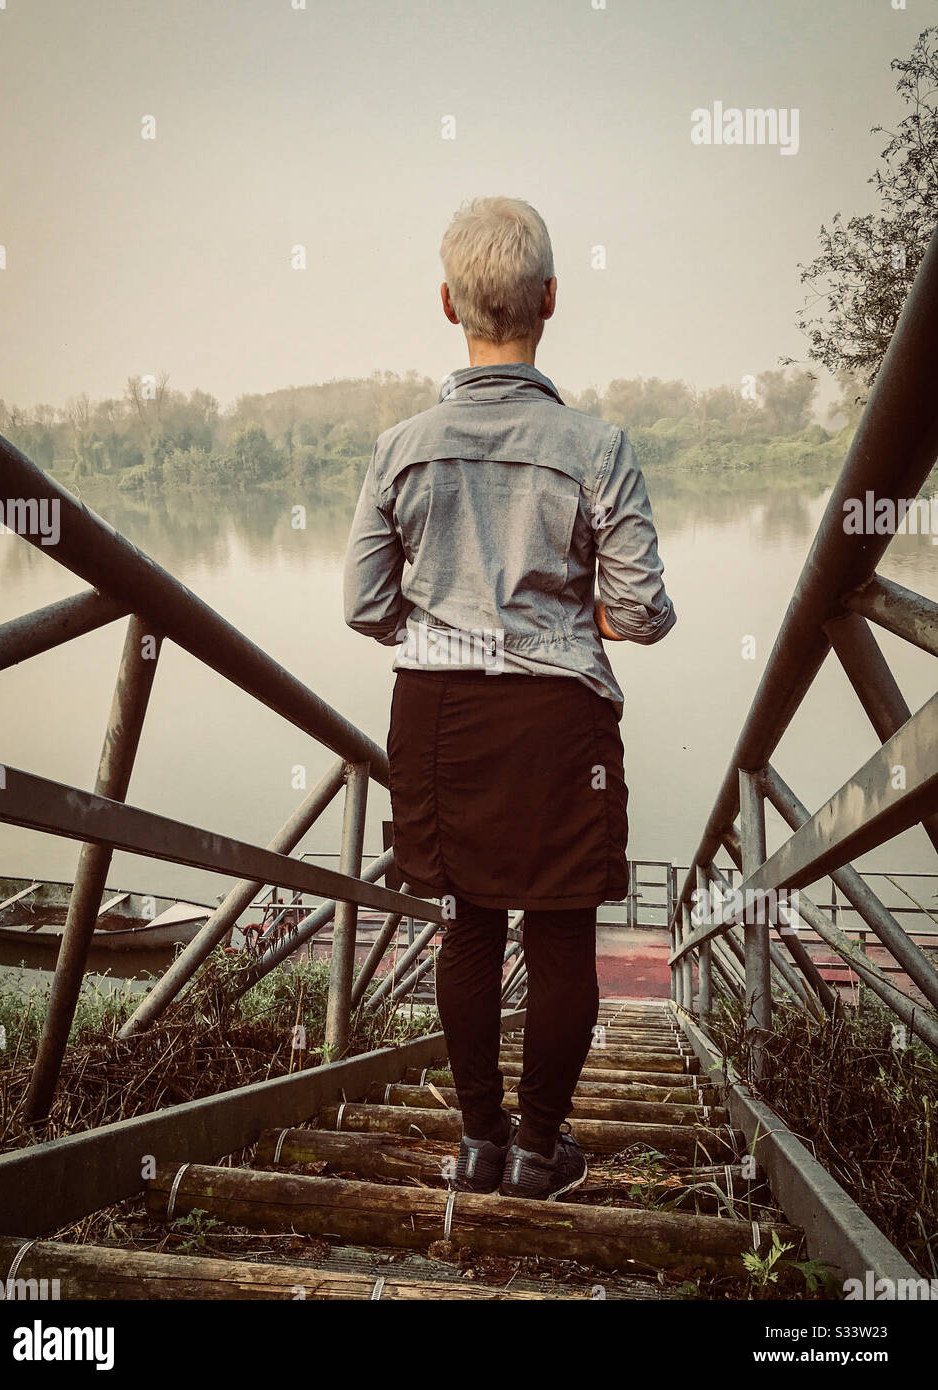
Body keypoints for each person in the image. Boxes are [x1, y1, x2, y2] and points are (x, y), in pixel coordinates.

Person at [343, 196, 676, 1201]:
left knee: (470, 921)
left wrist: (445, 632)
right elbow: (646, 613)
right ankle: (540, 1147)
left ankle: (479, 1142)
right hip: (558, 719)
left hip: (438, 717)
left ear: (448, 304)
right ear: (551, 299)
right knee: (563, 926)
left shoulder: (401, 446)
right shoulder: (598, 446)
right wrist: (570, 624)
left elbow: (364, 606)